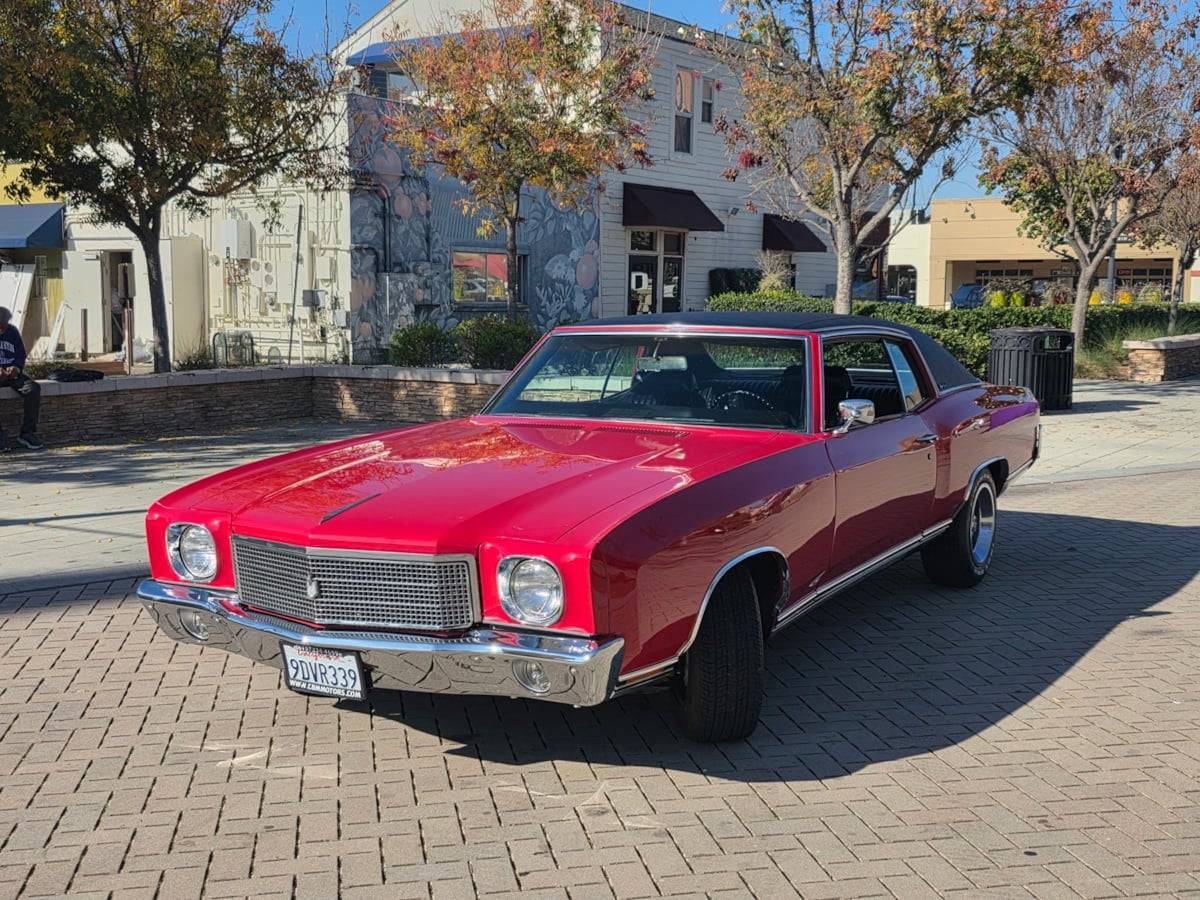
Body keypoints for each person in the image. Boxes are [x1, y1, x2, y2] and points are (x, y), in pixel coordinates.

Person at [0, 305, 45, 451]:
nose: (2, 329)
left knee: (33, 389)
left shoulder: (12, 331)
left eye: (4, 325)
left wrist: (16, 368)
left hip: (12, 374)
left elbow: (20, 354)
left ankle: (27, 433)